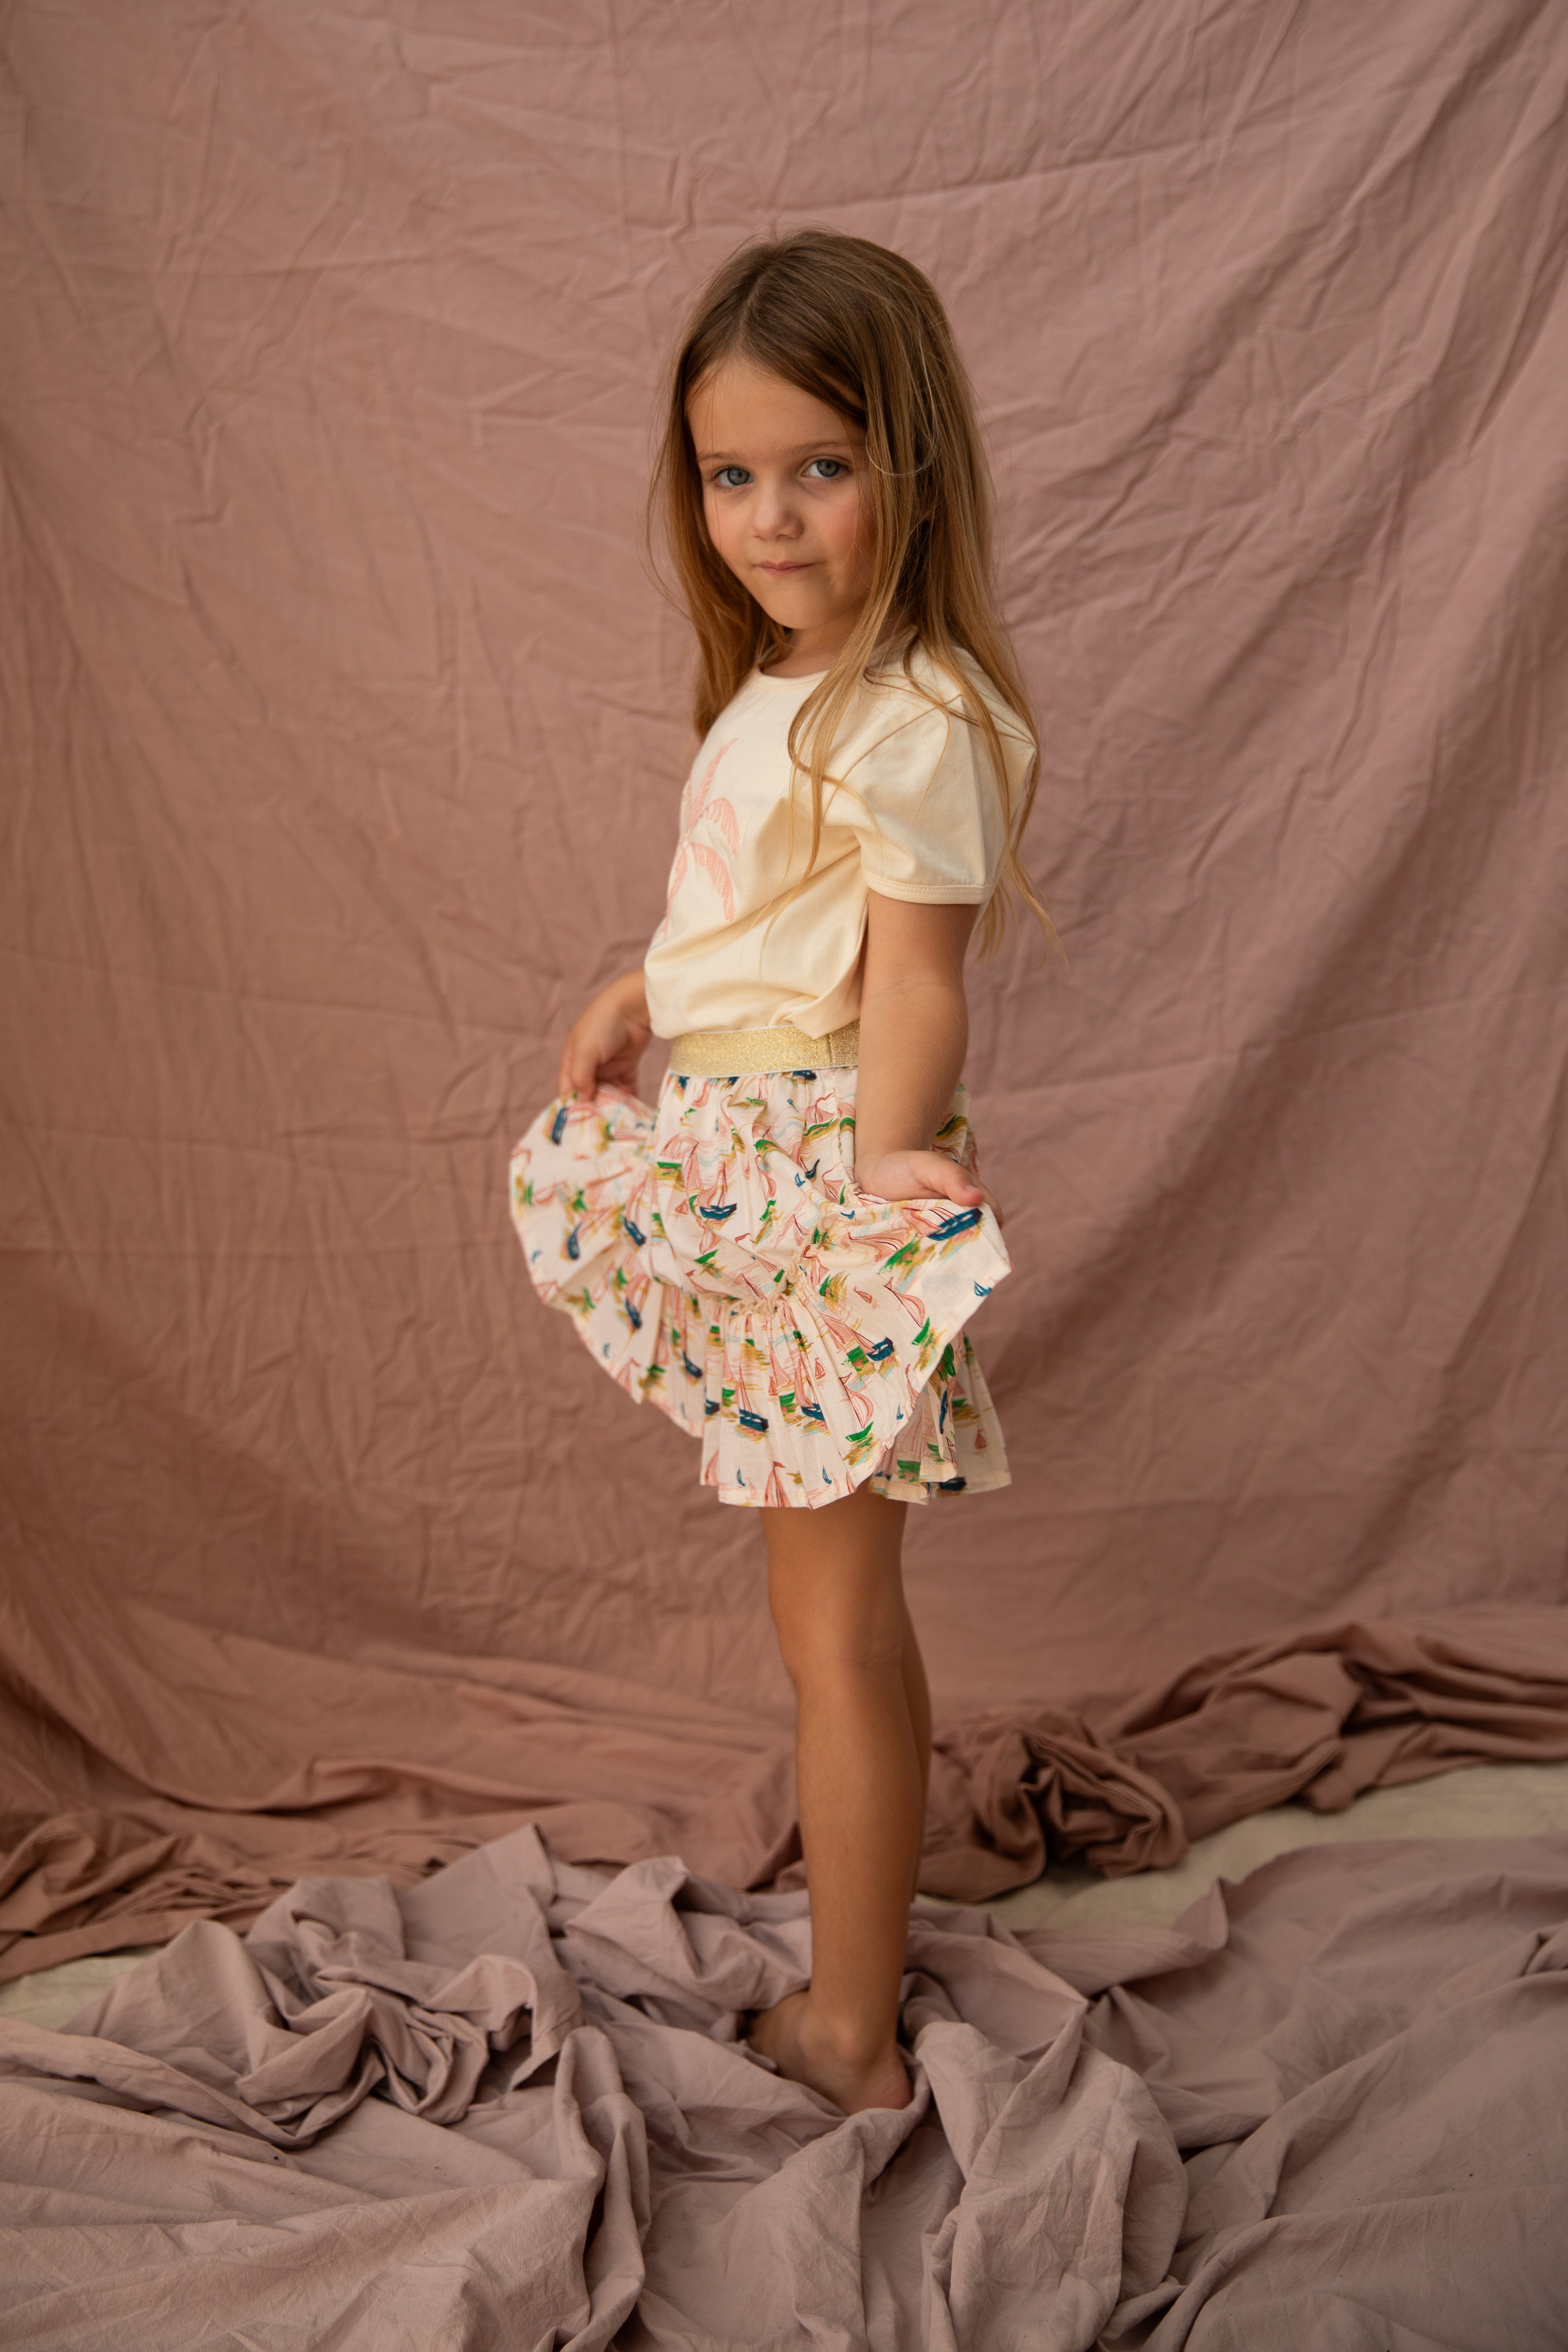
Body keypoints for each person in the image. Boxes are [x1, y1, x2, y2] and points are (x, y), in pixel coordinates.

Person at [510, 229, 1048, 2116]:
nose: (771, 517)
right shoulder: (786, 686)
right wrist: (639, 983)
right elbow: (761, 918)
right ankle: (860, 1958)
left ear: (911, 462)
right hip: (741, 1150)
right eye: (732, 476)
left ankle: (847, 2024)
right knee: (839, 1623)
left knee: (829, 1629)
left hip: (813, 1175)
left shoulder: (914, 714)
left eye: (821, 466)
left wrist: (887, 1149)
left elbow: (909, 974)